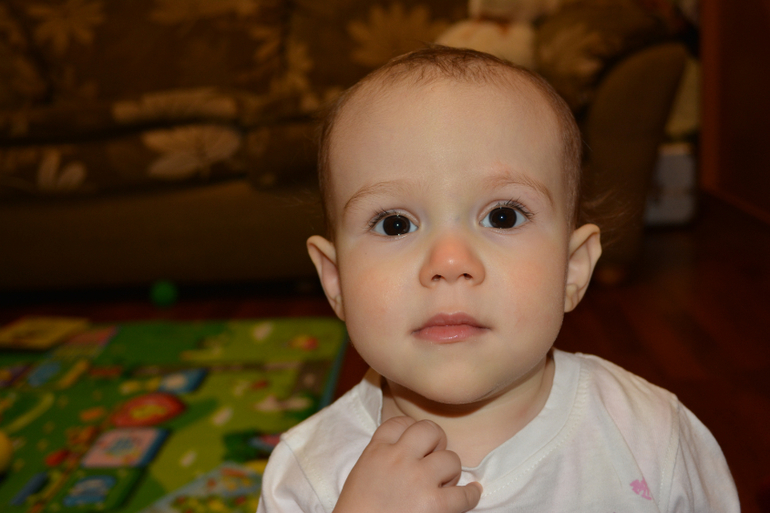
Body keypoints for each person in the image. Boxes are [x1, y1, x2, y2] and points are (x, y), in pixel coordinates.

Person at [257, 46, 739, 512]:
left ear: (572, 269)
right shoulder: (308, 477)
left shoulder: (653, 440)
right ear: (336, 281)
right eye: (395, 224)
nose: (449, 261)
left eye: (502, 217)